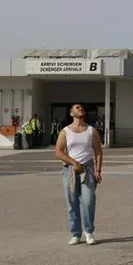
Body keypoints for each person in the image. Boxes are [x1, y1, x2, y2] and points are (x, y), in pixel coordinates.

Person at [54, 103, 103, 245]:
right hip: (70, 170)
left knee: (88, 201)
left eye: (81, 107)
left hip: (87, 170)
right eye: (77, 107)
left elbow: (98, 152)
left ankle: (89, 231)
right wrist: (72, 162)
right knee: (72, 203)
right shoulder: (65, 132)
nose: (80, 108)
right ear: (71, 113)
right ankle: (75, 233)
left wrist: (98, 170)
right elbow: (58, 152)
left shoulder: (91, 131)